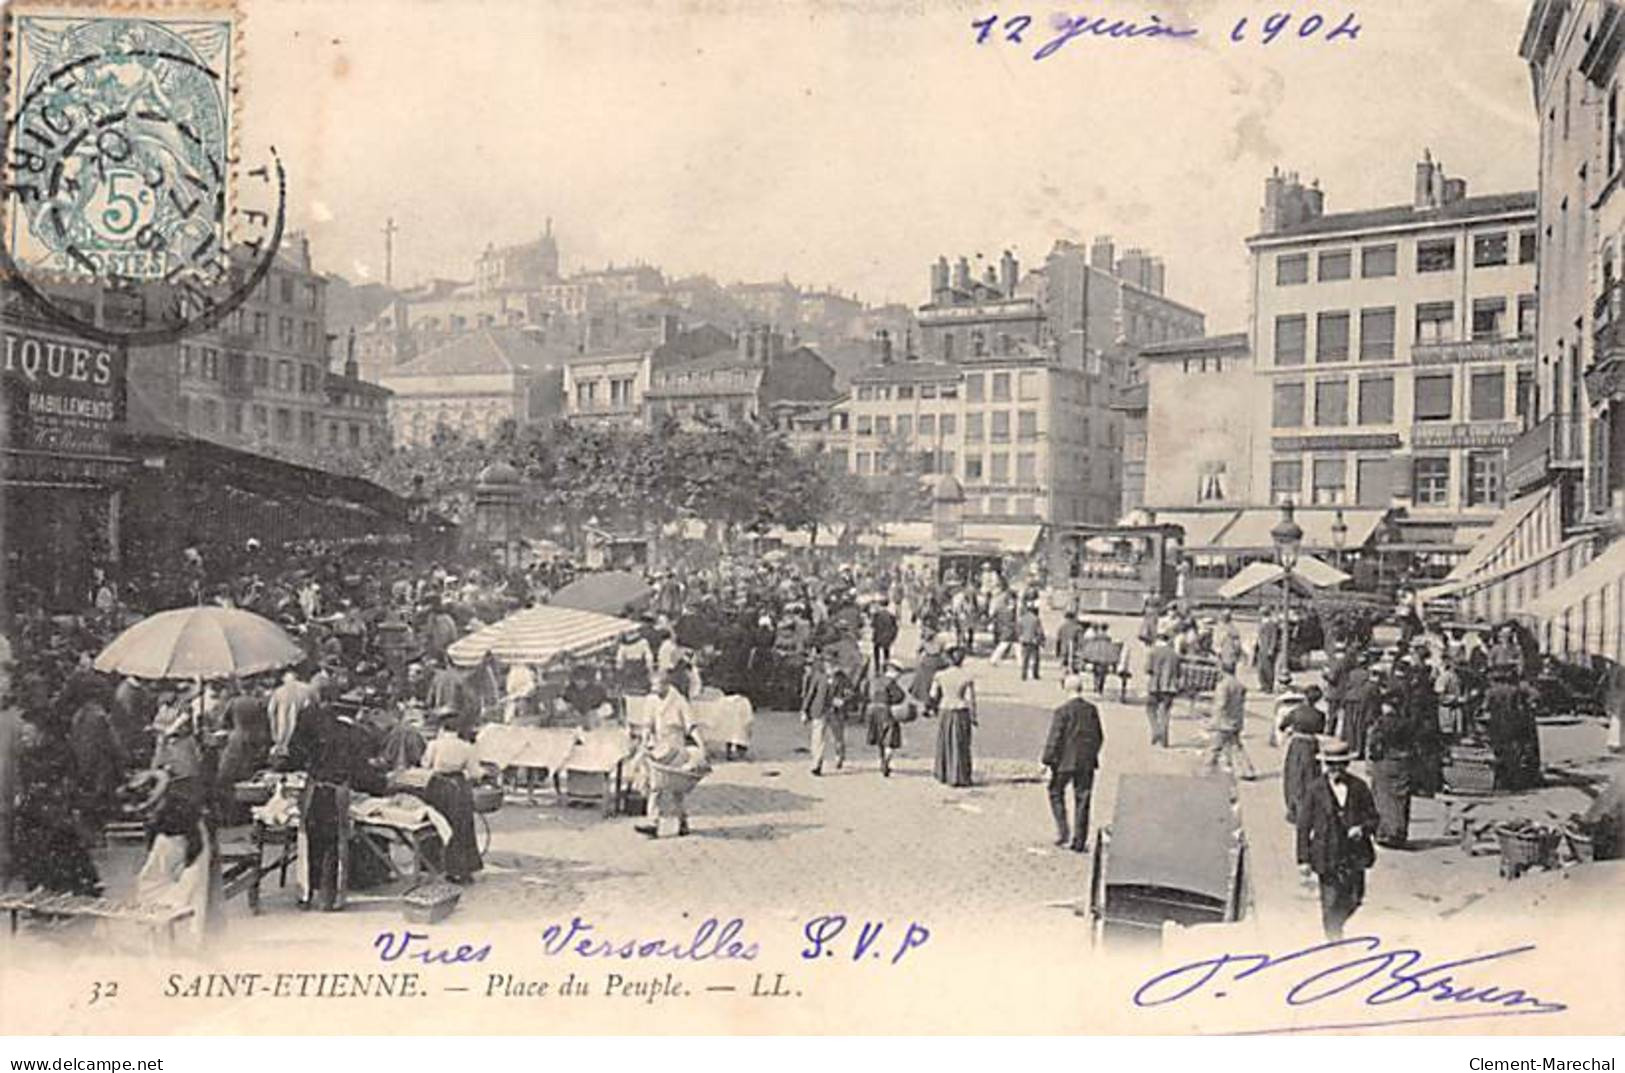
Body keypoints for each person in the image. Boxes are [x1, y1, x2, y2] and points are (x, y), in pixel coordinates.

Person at [280, 701, 387, 912]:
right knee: (334, 844)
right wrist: (381, 783)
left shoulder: (312, 728)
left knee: (309, 841)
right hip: (337, 792)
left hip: (312, 791)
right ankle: (329, 898)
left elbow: (293, 758)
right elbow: (361, 773)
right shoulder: (354, 735)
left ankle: (306, 894)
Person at [1295, 739, 1380, 940]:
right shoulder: (1315, 789)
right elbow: (1303, 825)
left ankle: (1336, 927)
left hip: (1354, 853)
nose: (1334, 769)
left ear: (1346, 765)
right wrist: (1303, 859)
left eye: (1339, 765)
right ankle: (1334, 939)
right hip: (1326, 852)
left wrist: (1362, 828)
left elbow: (1374, 817)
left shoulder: (1359, 787)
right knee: (1330, 900)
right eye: (1330, 765)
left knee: (1354, 898)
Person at [638, 670, 707, 838]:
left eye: (658, 686)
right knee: (655, 786)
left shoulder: (679, 701)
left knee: (676, 788)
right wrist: (645, 739)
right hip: (657, 747)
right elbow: (647, 723)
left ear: (666, 685)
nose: (654, 690)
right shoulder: (651, 700)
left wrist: (701, 745)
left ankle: (683, 821)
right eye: (652, 686)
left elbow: (691, 725)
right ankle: (653, 822)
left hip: (675, 746)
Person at [421, 709, 485, 882]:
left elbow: (425, 765)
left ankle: (436, 866)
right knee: (462, 827)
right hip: (458, 787)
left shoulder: (434, 745)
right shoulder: (466, 747)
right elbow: (474, 772)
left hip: (437, 786)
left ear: (442, 727)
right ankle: (463, 869)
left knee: (437, 824)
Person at [1042, 675, 1104, 852]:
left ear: (1066, 689)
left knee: (1055, 791)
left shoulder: (1062, 711)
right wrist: (1091, 754)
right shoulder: (1091, 710)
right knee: (1083, 798)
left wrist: (1047, 760)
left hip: (1064, 762)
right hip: (1086, 762)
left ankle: (1063, 830)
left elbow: (1055, 737)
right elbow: (1099, 736)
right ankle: (1079, 840)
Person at [1366, 699, 1415, 849]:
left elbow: (1373, 743)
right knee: (1401, 798)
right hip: (1403, 763)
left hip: (1385, 762)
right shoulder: (1407, 724)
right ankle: (1400, 832)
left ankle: (1385, 832)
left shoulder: (1380, 723)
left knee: (1383, 797)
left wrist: (1373, 758)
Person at [1202, 659, 1258, 780]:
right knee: (1236, 746)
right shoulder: (1239, 685)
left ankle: (1206, 772)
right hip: (1236, 721)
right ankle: (1248, 770)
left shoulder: (1223, 686)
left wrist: (1212, 721)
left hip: (1223, 722)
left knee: (1214, 747)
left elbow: (1220, 705)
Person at [931, 647, 977, 787]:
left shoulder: (940, 675)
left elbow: (933, 695)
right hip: (961, 710)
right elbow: (970, 699)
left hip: (945, 710)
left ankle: (943, 773)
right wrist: (974, 716)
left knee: (945, 741)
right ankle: (960, 776)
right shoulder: (967, 677)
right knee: (961, 743)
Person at [801, 652, 849, 777]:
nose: (829, 667)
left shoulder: (842, 678)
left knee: (838, 738)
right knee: (817, 738)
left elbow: (851, 692)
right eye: (827, 664)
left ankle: (839, 755)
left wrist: (843, 700)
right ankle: (817, 763)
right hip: (819, 710)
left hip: (835, 712)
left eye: (832, 664)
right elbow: (810, 694)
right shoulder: (818, 676)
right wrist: (804, 711)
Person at [1282, 704, 1327, 827]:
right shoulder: (1320, 714)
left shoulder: (1296, 711)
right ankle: (1310, 809)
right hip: (1312, 746)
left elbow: (1282, 725)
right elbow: (1321, 730)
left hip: (1297, 745)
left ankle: (1294, 809)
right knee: (1311, 776)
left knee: (1293, 777)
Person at [866, 661, 908, 778]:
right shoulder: (891, 683)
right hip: (886, 711)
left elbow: (866, 693)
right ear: (894, 672)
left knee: (879, 738)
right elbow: (900, 696)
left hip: (873, 711)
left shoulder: (875, 681)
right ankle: (886, 761)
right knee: (890, 739)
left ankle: (881, 759)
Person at [1144, 630, 1180, 748]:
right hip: (1170, 687)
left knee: (1150, 709)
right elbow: (1179, 672)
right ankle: (1164, 737)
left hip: (1155, 685)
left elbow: (1147, 669)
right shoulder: (1174, 654)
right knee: (1166, 712)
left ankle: (1156, 730)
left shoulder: (1152, 652)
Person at [1018, 603, 1046, 681]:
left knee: (1025, 659)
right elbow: (1039, 631)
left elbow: (1019, 630)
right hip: (1033, 641)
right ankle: (1035, 674)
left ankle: (1024, 674)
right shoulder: (1036, 619)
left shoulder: (1022, 618)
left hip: (1024, 640)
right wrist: (1042, 640)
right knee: (1035, 659)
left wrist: (1021, 637)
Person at [1255, 610, 1280, 693]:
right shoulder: (1261, 623)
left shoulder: (1271, 624)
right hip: (1261, 648)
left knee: (1268, 668)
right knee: (1260, 668)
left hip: (1267, 648)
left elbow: (1273, 637)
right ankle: (1263, 684)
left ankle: (1269, 686)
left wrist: (1271, 649)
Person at [870, 602, 898, 673]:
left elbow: (872, 625)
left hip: (878, 637)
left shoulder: (876, 615)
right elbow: (895, 627)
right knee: (886, 653)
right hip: (887, 638)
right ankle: (885, 668)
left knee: (876, 652)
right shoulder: (891, 615)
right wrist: (892, 637)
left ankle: (877, 668)